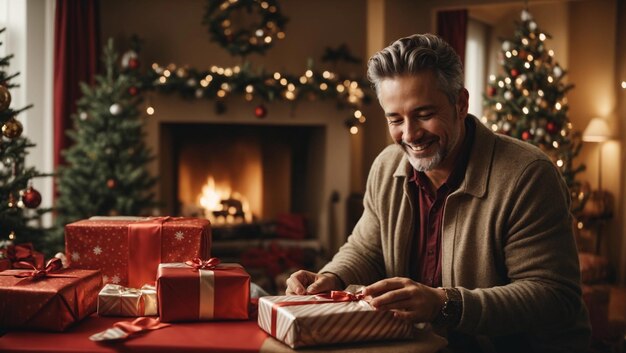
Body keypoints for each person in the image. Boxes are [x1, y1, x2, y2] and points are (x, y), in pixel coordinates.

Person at [285, 33, 590, 352]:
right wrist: (331, 278)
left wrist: (445, 304)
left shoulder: (528, 174)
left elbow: (554, 296)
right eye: (396, 119)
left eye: (424, 115)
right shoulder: (386, 165)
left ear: (460, 103)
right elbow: (366, 249)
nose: (410, 134)